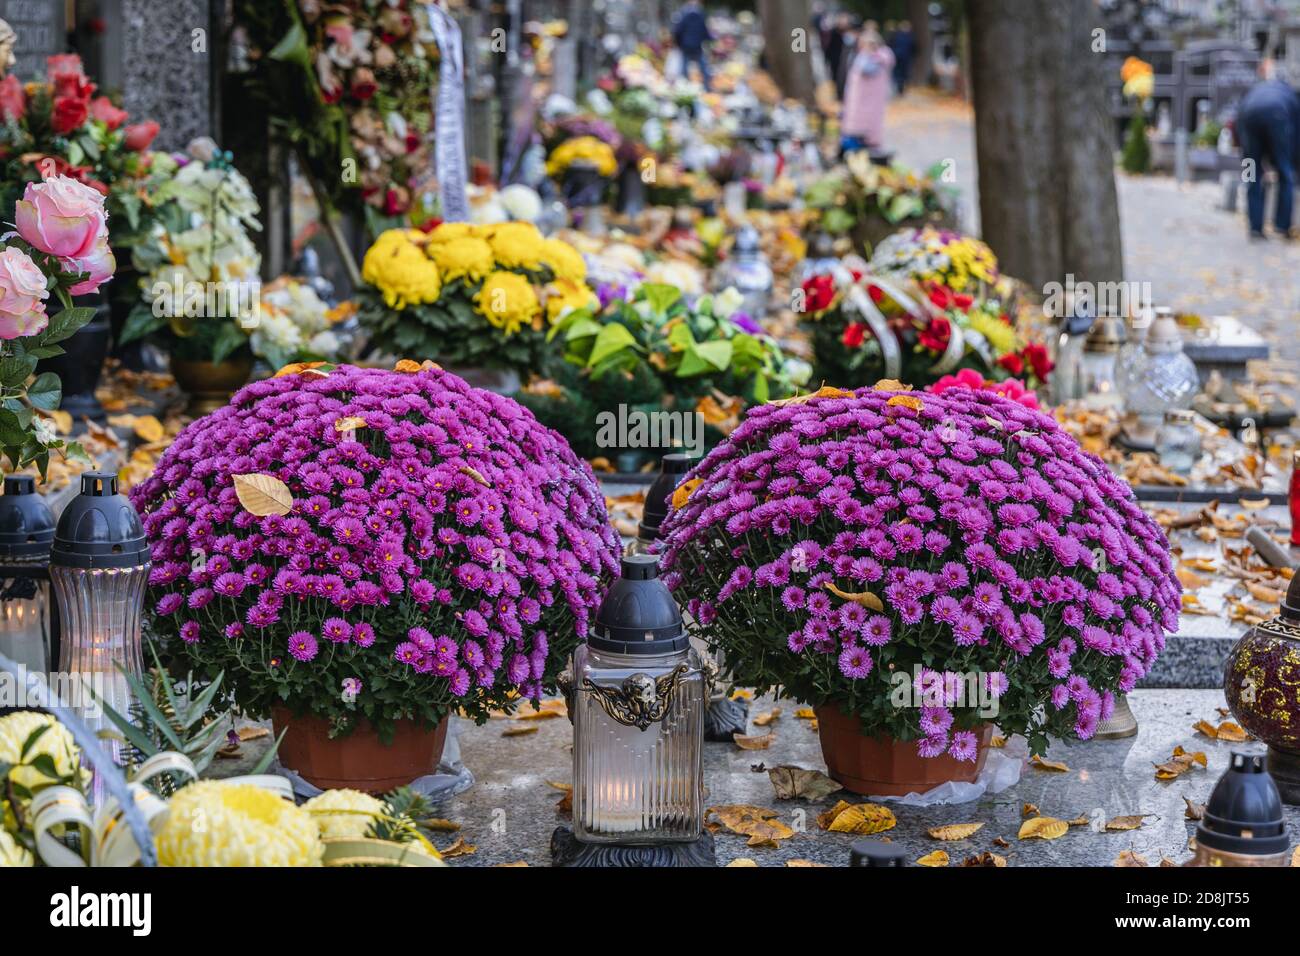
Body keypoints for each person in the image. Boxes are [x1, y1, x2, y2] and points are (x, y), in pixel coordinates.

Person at [1237, 62, 1300, 239]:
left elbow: (1239, 121)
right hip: (1278, 116)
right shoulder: (1289, 94)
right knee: (1285, 172)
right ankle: (1283, 226)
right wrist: (1292, 160)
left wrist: (1246, 157)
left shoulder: (1255, 90)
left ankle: (1255, 228)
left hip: (1249, 116)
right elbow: (1296, 133)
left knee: (1251, 172)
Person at [840, 25, 895, 154]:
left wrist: (866, 52)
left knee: (861, 139)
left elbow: (864, 68)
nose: (860, 47)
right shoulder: (873, 59)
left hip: (864, 108)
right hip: (862, 105)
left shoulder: (873, 59)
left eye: (862, 44)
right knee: (863, 137)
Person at [671, 1, 713, 90]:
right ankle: (707, 87)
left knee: (684, 67)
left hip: (686, 45)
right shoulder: (700, 15)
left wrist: (678, 43)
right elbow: (705, 31)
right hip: (697, 46)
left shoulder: (684, 15)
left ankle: (684, 88)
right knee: (703, 67)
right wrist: (709, 41)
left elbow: (677, 31)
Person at [889, 20, 916, 95]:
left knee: (900, 74)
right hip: (902, 58)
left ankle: (899, 88)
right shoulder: (909, 37)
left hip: (901, 58)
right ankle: (899, 89)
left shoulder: (897, 35)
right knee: (901, 74)